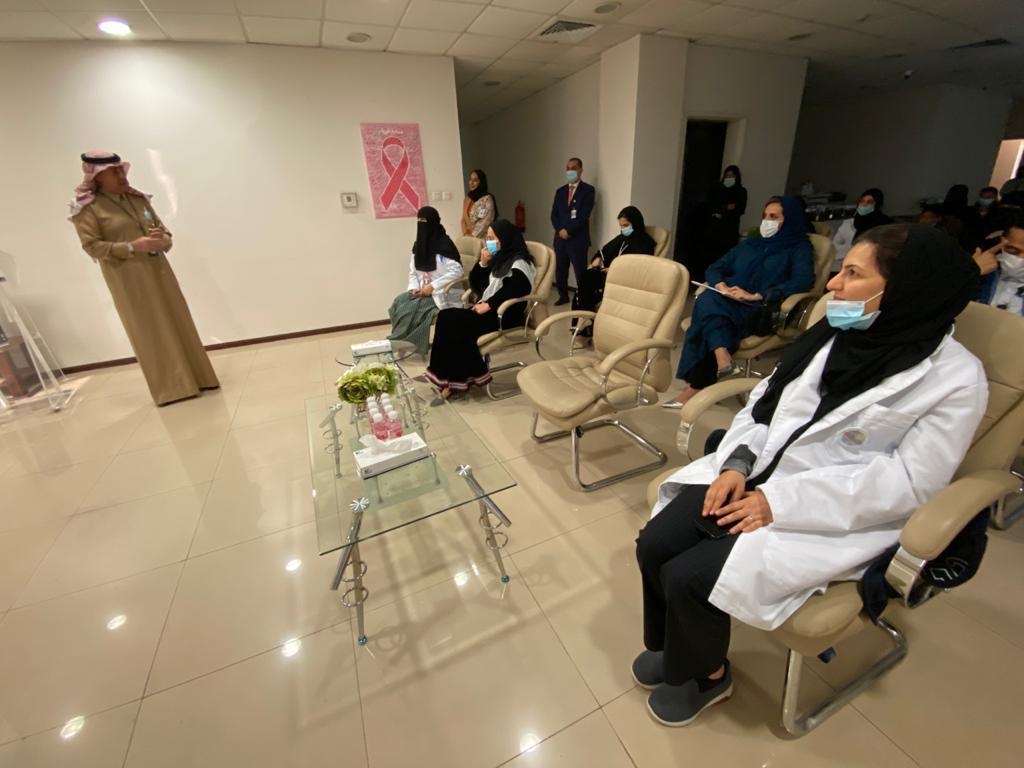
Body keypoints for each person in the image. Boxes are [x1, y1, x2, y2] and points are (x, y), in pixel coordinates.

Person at [635, 223, 987, 727]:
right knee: (655, 543)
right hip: (758, 472)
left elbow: (911, 483)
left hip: (832, 511)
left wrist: (779, 503)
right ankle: (674, 649)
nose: (833, 284)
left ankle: (709, 676)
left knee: (689, 576)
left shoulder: (956, 379)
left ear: (904, 289)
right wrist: (736, 464)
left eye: (853, 274)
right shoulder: (831, 335)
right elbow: (764, 405)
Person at [69, 151, 219, 406]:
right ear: (97, 176)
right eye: (113, 171)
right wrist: (131, 246)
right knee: (149, 329)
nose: (121, 175)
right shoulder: (87, 208)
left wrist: (163, 241)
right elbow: (92, 247)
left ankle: (200, 378)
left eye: (121, 169)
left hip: (159, 271)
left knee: (178, 320)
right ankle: (172, 389)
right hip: (127, 278)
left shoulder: (138, 200)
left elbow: (164, 233)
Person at [664, 196, 814, 408]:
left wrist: (756, 295)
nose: (767, 221)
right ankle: (720, 359)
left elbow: (802, 281)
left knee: (708, 313)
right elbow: (715, 268)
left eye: (774, 217)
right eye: (765, 216)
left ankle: (699, 382)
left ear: (789, 219)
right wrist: (722, 287)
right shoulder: (750, 245)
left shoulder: (799, 248)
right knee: (711, 304)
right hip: (729, 299)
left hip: (760, 306)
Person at [425, 219, 535, 400]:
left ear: (505, 239)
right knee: (445, 317)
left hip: (505, 315)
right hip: (490, 311)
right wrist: (483, 263)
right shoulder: (500, 259)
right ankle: (445, 377)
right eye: (487, 238)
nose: (488, 242)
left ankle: (457, 380)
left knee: (453, 322)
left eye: (492, 238)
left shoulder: (520, 263)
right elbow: (477, 285)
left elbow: (517, 288)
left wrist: (490, 304)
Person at [571, 206, 657, 343]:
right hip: (608, 276)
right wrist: (598, 258)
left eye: (626, 225)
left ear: (635, 223)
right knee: (586, 279)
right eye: (621, 226)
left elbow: (639, 266)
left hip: (624, 280)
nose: (623, 229)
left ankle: (584, 323)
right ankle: (585, 322)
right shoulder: (621, 238)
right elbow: (603, 251)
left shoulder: (645, 243)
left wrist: (614, 269)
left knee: (587, 283)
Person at [387, 207, 465, 355]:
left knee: (412, 310)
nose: (422, 225)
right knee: (399, 302)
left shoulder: (444, 245)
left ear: (434, 222)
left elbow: (457, 271)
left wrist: (432, 287)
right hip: (422, 291)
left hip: (443, 292)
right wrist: (414, 288)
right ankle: (401, 342)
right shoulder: (418, 246)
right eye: (419, 221)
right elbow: (413, 272)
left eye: (425, 221)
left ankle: (406, 344)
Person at [550, 157, 595, 306]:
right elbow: (554, 214)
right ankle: (563, 296)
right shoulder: (560, 191)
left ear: (580, 170)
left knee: (580, 271)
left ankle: (583, 298)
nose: (570, 171)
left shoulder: (588, 190)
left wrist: (568, 230)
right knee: (560, 270)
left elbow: (584, 215)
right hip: (560, 239)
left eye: (573, 168)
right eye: (568, 168)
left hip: (577, 239)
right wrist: (560, 230)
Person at [974, 211, 1024, 316]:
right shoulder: (982, 274)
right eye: (1013, 251)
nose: (1020, 259)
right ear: (1002, 241)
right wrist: (970, 273)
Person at [830, 188, 893, 270]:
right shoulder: (848, 223)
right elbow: (834, 245)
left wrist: (850, 249)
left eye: (869, 202)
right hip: (843, 262)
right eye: (862, 201)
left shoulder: (884, 223)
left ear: (877, 204)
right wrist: (853, 249)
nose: (864, 204)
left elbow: (881, 249)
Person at [703, 166, 747, 264]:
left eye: (731, 176)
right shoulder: (717, 190)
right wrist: (726, 207)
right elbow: (710, 206)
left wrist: (721, 212)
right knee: (711, 256)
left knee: (726, 257)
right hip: (714, 230)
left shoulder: (741, 191)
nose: (729, 178)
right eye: (727, 176)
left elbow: (740, 209)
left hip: (729, 231)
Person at [961, 186, 1003, 253]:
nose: (985, 200)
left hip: (985, 247)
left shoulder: (998, 214)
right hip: (967, 245)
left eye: (988, 197)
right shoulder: (970, 211)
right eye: (983, 197)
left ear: (995, 198)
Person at [461, 169, 497, 238]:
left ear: (481, 182)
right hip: (468, 237)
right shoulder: (468, 199)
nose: (471, 182)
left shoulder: (487, 199)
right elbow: (463, 219)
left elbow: (486, 222)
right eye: (470, 179)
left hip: (482, 238)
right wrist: (465, 234)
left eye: (475, 180)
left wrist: (472, 236)